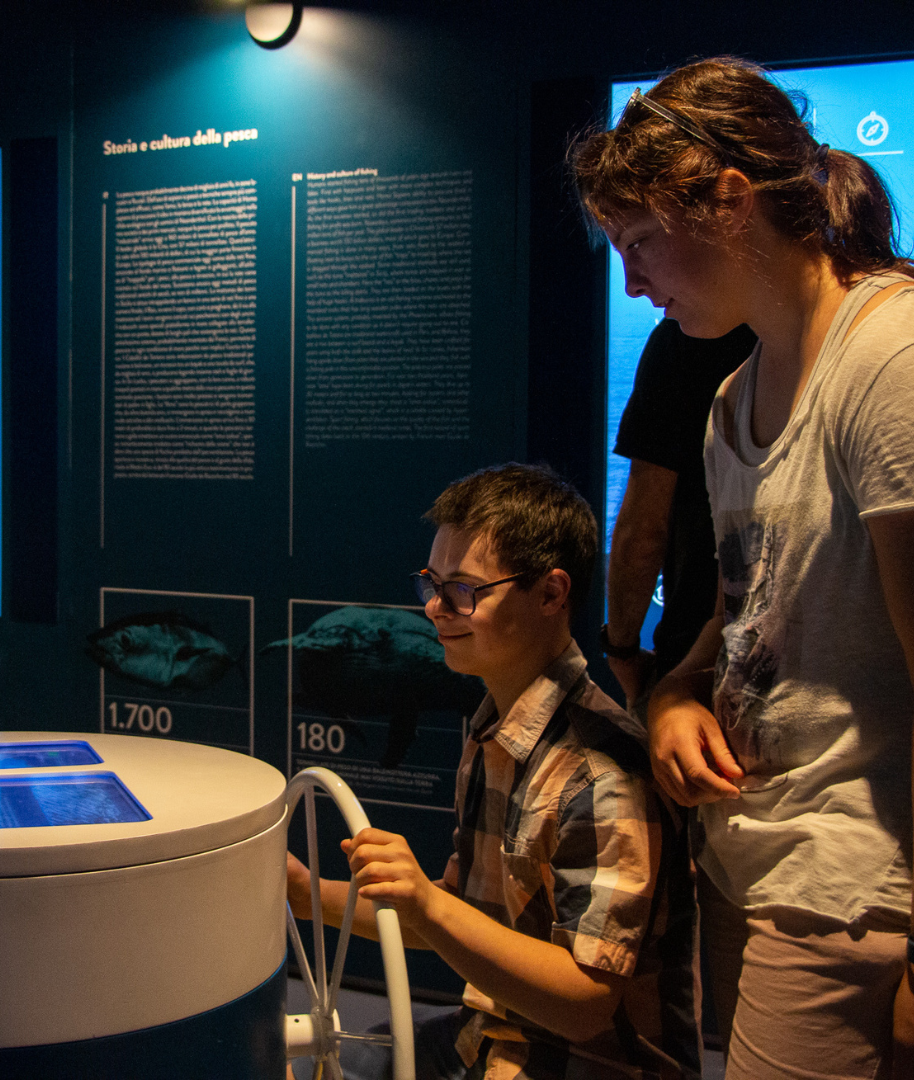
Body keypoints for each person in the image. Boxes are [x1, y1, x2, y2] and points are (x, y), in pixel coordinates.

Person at [572, 57, 914, 1080]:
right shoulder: (733, 401)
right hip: (764, 853)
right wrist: (677, 697)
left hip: (856, 877)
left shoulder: (888, 363)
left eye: (640, 242)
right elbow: (749, 617)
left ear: (727, 202)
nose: (633, 280)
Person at [288, 463, 700, 1080]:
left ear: (552, 594)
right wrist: (298, 891)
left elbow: (586, 1003)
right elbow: (458, 919)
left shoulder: (601, 775)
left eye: (463, 590)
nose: (433, 608)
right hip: (487, 1037)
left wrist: (428, 903)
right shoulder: (493, 733)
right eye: (430, 582)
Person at [604, 319, 757, 710]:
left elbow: (642, 529)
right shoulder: (805, 341)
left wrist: (621, 648)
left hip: (695, 669)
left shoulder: (686, 339)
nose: (633, 284)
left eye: (637, 252)